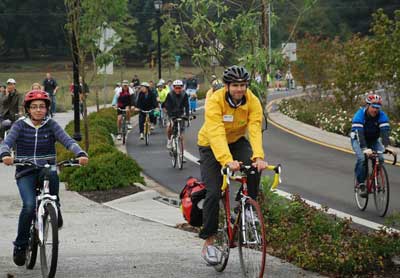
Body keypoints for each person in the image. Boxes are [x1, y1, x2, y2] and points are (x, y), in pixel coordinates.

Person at [0, 89, 88, 266]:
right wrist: (5, 155)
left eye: (42, 106)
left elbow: (67, 140)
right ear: (28, 109)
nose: (38, 110)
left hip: (46, 168)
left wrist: (80, 153)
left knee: (52, 172)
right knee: (29, 205)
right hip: (25, 171)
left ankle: (55, 206)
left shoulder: (51, 125)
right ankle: (20, 245)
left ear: (47, 108)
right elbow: (7, 143)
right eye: (34, 107)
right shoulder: (19, 125)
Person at [197, 65, 268, 265]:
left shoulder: (252, 101)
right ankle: (209, 243)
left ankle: (245, 205)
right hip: (211, 145)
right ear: (227, 86)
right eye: (235, 85)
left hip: (236, 141)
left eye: (243, 85)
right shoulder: (215, 101)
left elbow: (254, 128)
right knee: (213, 192)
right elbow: (216, 132)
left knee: (253, 168)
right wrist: (226, 160)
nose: (239, 89)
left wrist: (258, 157)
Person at [350, 93, 395, 197]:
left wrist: (387, 146)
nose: (375, 110)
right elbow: (359, 134)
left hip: (373, 140)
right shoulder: (360, 115)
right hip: (358, 139)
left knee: (381, 159)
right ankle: (361, 184)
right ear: (367, 105)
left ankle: (373, 177)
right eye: (373, 107)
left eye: (377, 107)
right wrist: (365, 148)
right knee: (362, 159)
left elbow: (384, 132)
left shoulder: (382, 115)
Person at [164, 80, 189, 149]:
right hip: (171, 114)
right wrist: (170, 115)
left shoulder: (184, 95)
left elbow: (187, 106)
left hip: (180, 114)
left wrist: (187, 115)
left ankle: (182, 155)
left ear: (182, 88)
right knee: (169, 127)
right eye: (176, 88)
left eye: (179, 88)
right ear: (173, 88)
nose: (178, 89)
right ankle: (169, 140)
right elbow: (167, 106)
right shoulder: (170, 95)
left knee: (181, 135)